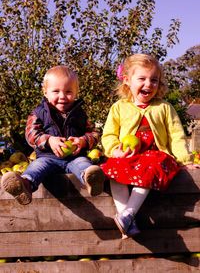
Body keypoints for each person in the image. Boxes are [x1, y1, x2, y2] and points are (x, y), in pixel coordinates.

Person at [101, 53, 197, 239]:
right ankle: (126, 218)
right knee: (112, 169)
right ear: (127, 81)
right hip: (129, 156)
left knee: (149, 167)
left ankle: (128, 214)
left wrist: (184, 159)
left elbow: (176, 135)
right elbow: (109, 134)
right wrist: (115, 150)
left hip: (156, 157)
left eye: (154, 80)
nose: (148, 84)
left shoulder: (164, 107)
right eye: (142, 79)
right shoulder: (119, 107)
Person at [1, 65, 105, 205]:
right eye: (56, 91)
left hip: (74, 157)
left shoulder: (80, 114)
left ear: (76, 93)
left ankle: (91, 181)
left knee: (84, 165)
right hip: (47, 158)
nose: (62, 96)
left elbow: (94, 133)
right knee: (36, 168)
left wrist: (82, 141)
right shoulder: (39, 113)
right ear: (45, 92)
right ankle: (24, 186)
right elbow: (31, 134)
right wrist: (49, 140)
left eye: (68, 91)